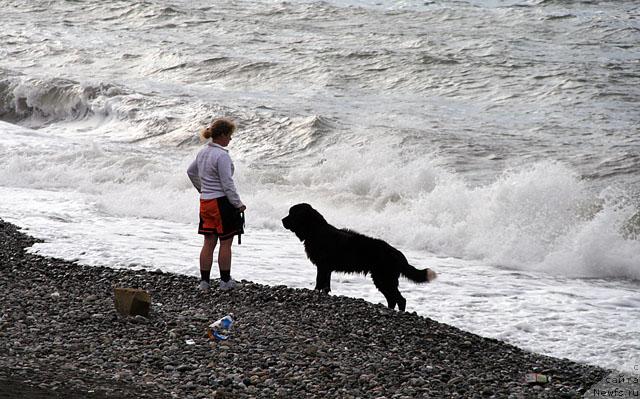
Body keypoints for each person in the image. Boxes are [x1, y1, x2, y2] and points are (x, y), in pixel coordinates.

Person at [187, 118, 246, 292]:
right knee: (225, 242)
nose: (230, 139)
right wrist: (238, 203)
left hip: (205, 202)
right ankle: (225, 281)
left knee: (208, 242)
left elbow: (190, 172)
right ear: (222, 135)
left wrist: (202, 189)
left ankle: (204, 282)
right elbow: (227, 184)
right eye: (229, 135)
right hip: (221, 203)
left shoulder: (203, 152)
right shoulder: (222, 156)